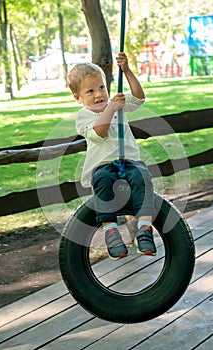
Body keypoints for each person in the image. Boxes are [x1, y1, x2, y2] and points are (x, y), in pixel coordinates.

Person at [67, 52, 157, 260]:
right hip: (103, 165)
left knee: (142, 176)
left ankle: (144, 228)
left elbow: (139, 97)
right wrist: (111, 108)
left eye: (101, 88)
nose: (99, 94)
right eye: (90, 91)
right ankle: (111, 232)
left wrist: (126, 70)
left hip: (130, 162)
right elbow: (99, 133)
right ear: (78, 98)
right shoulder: (83, 117)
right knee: (102, 180)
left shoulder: (117, 103)